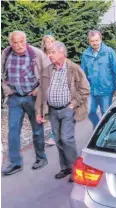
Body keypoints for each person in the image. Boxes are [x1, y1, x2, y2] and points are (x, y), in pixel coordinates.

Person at [36, 41, 90, 182]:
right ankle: (65, 167)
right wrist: (39, 112)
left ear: (62, 53)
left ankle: (75, 170)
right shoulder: (47, 70)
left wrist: (73, 104)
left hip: (67, 109)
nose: (50, 55)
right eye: (48, 52)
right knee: (59, 140)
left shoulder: (74, 68)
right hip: (53, 110)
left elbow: (85, 89)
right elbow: (41, 92)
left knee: (67, 139)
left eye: (53, 52)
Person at [1, 31, 49, 176]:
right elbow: (2, 73)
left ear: (26, 41)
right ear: (11, 43)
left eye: (22, 41)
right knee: (13, 130)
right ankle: (15, 163)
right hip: (14, 97)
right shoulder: (6, 53)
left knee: (37, 129)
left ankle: (41, 158)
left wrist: (39, 89)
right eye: (15, 42)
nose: (19, 45)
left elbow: (48, 73)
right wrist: (7, 89)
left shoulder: (36, 53)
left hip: (32, 97)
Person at [80, 30, 116, 129]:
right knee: (89, 111)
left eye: (97, 40)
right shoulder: (85, 54)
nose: (95, 43)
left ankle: (106, 131)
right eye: (92, 41)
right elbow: (83, 73)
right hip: (91, 90)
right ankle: (98, 127)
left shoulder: (109, 52)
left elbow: (115, 70)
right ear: (89, 42)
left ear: (101, 39)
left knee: (105, 112)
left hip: (106, 88)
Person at [40, 35, 57, 146]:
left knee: (53, 113)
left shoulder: (57, 54)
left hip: (55, 87)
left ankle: (53, 136)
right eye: (47, 42)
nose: (49, 44)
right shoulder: (40, 56)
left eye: (51, 41)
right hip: (43, 87)